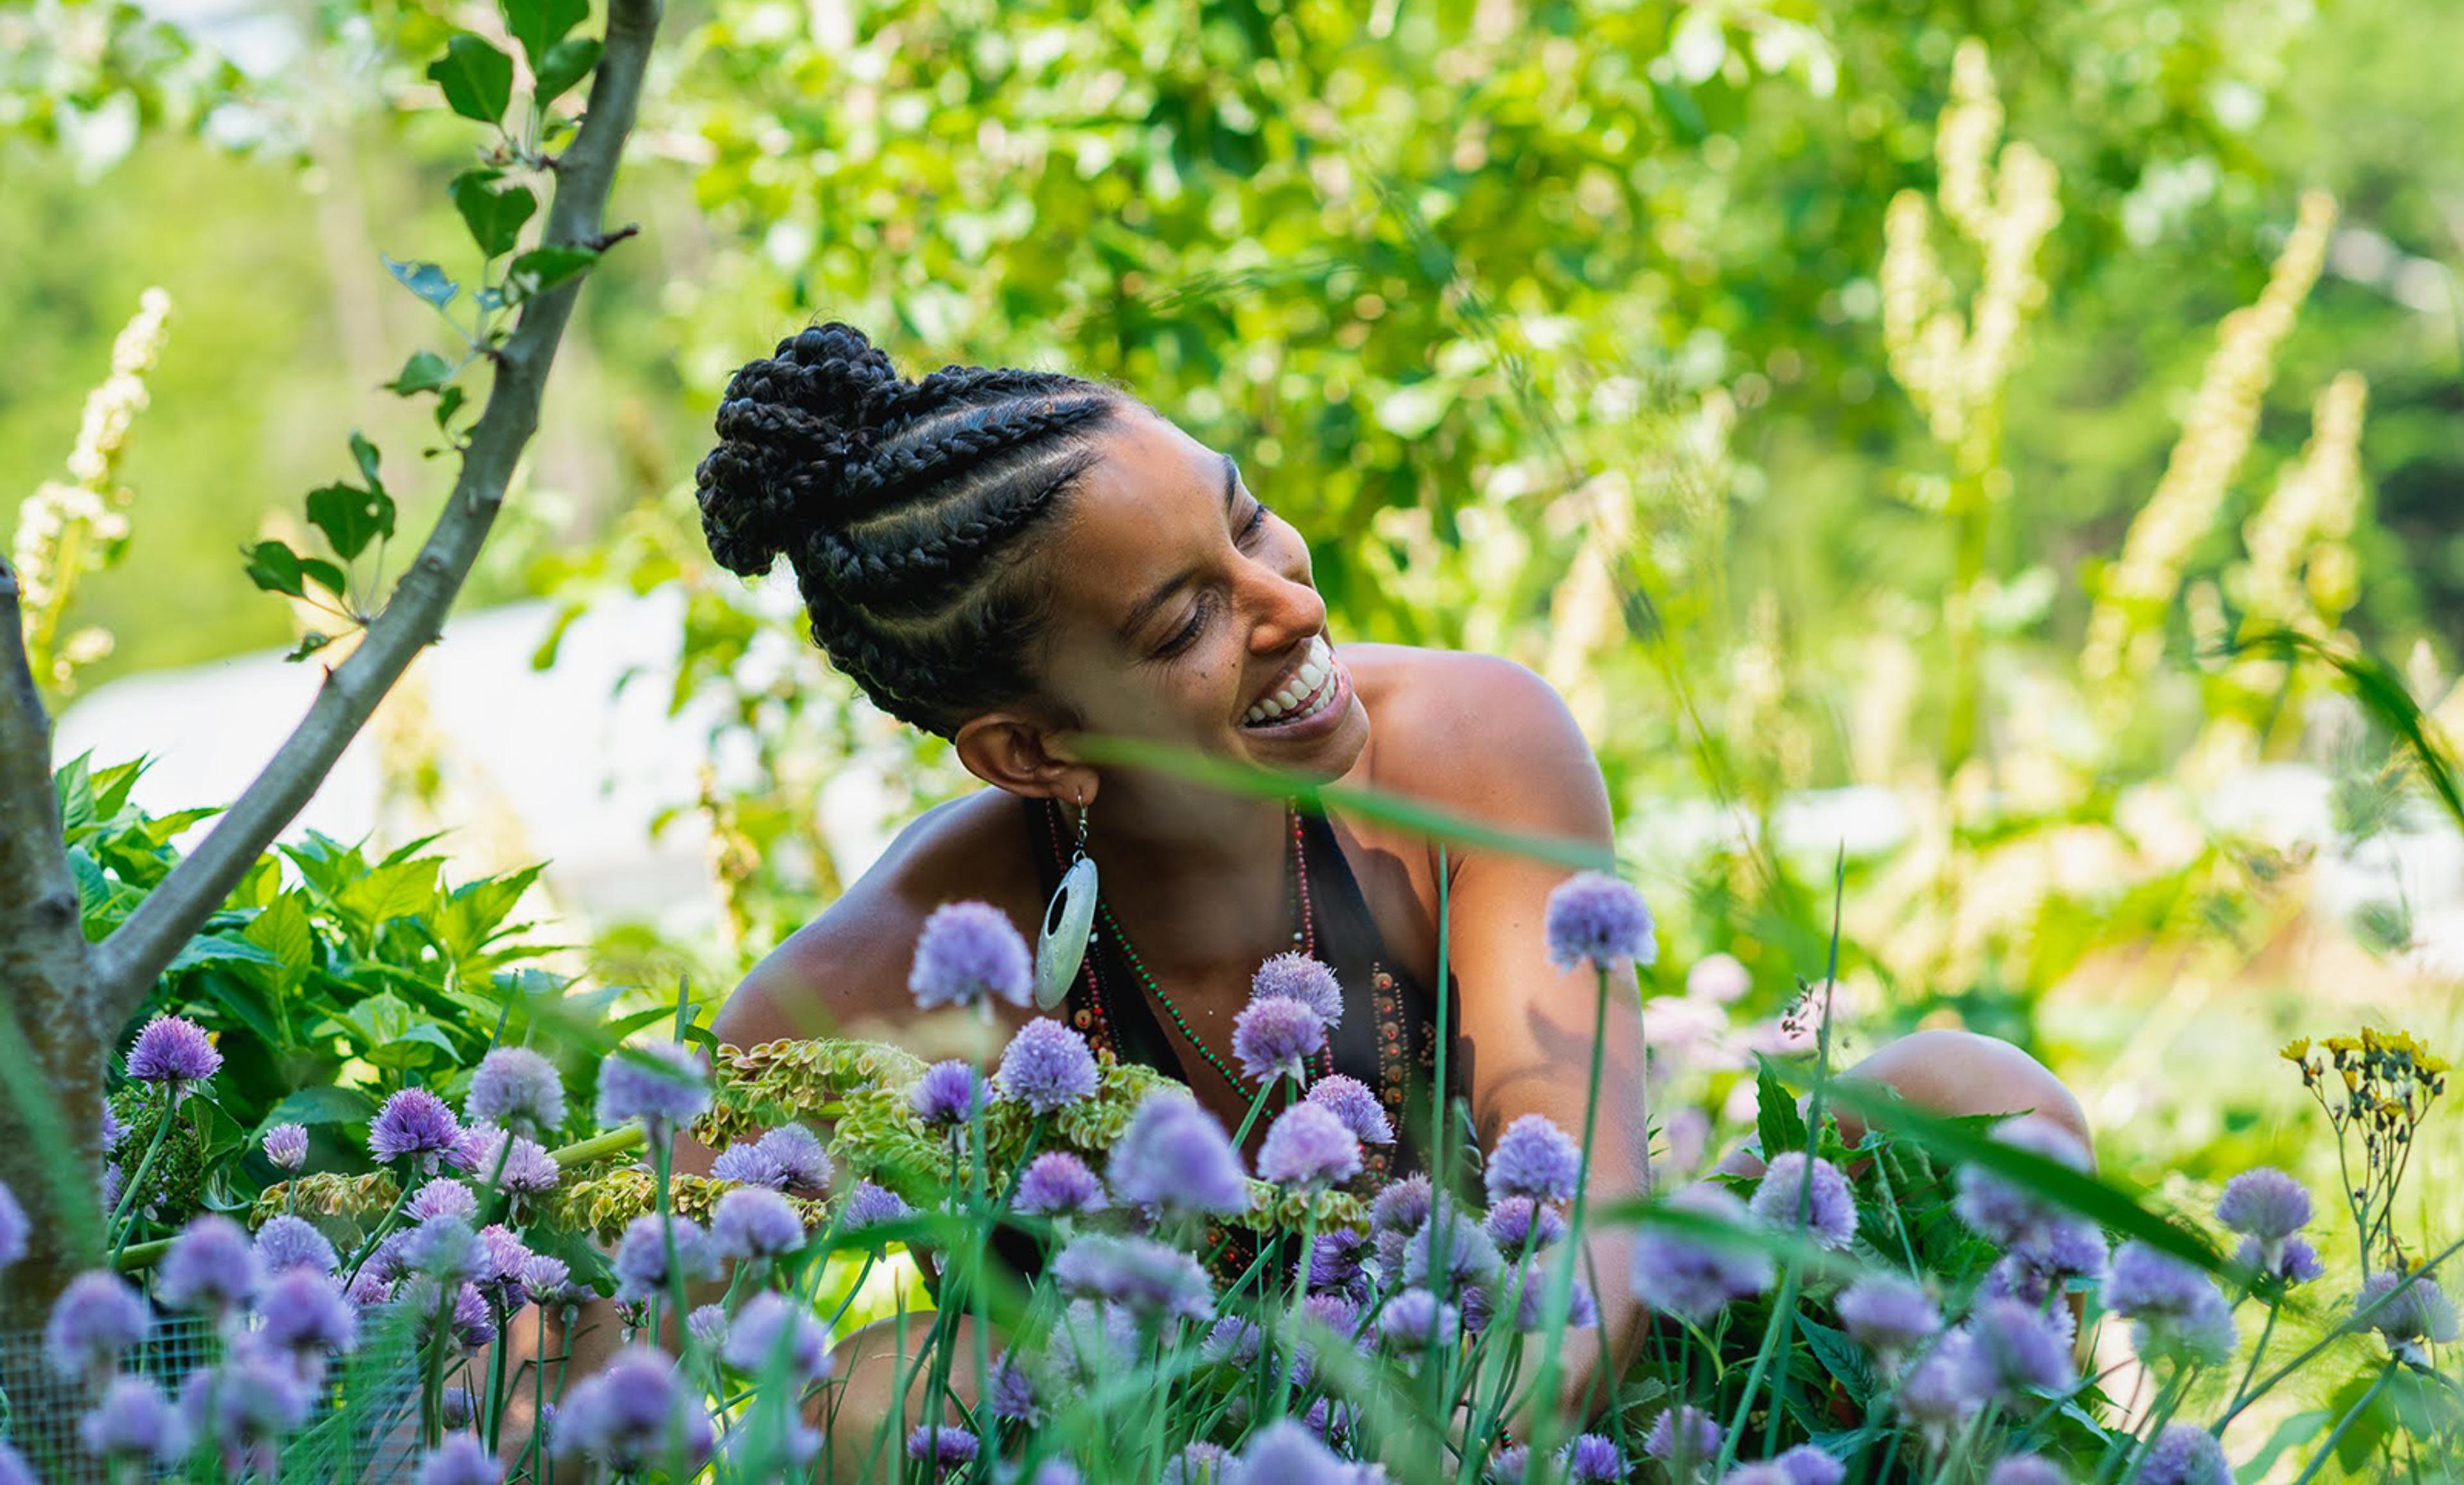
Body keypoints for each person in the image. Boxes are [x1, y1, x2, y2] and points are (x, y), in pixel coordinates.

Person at [501, 320, 2089, 1454]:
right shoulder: (911, 963)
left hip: (1566, 1410)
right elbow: (587, 1329)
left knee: (1973, 1094)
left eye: (1248, 517)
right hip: (1167, 1444)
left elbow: (1591, 1229)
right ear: (1030, 750)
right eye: (1184, 617)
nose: (1289, 601)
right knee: (876, 1390)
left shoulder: (1468, 747)